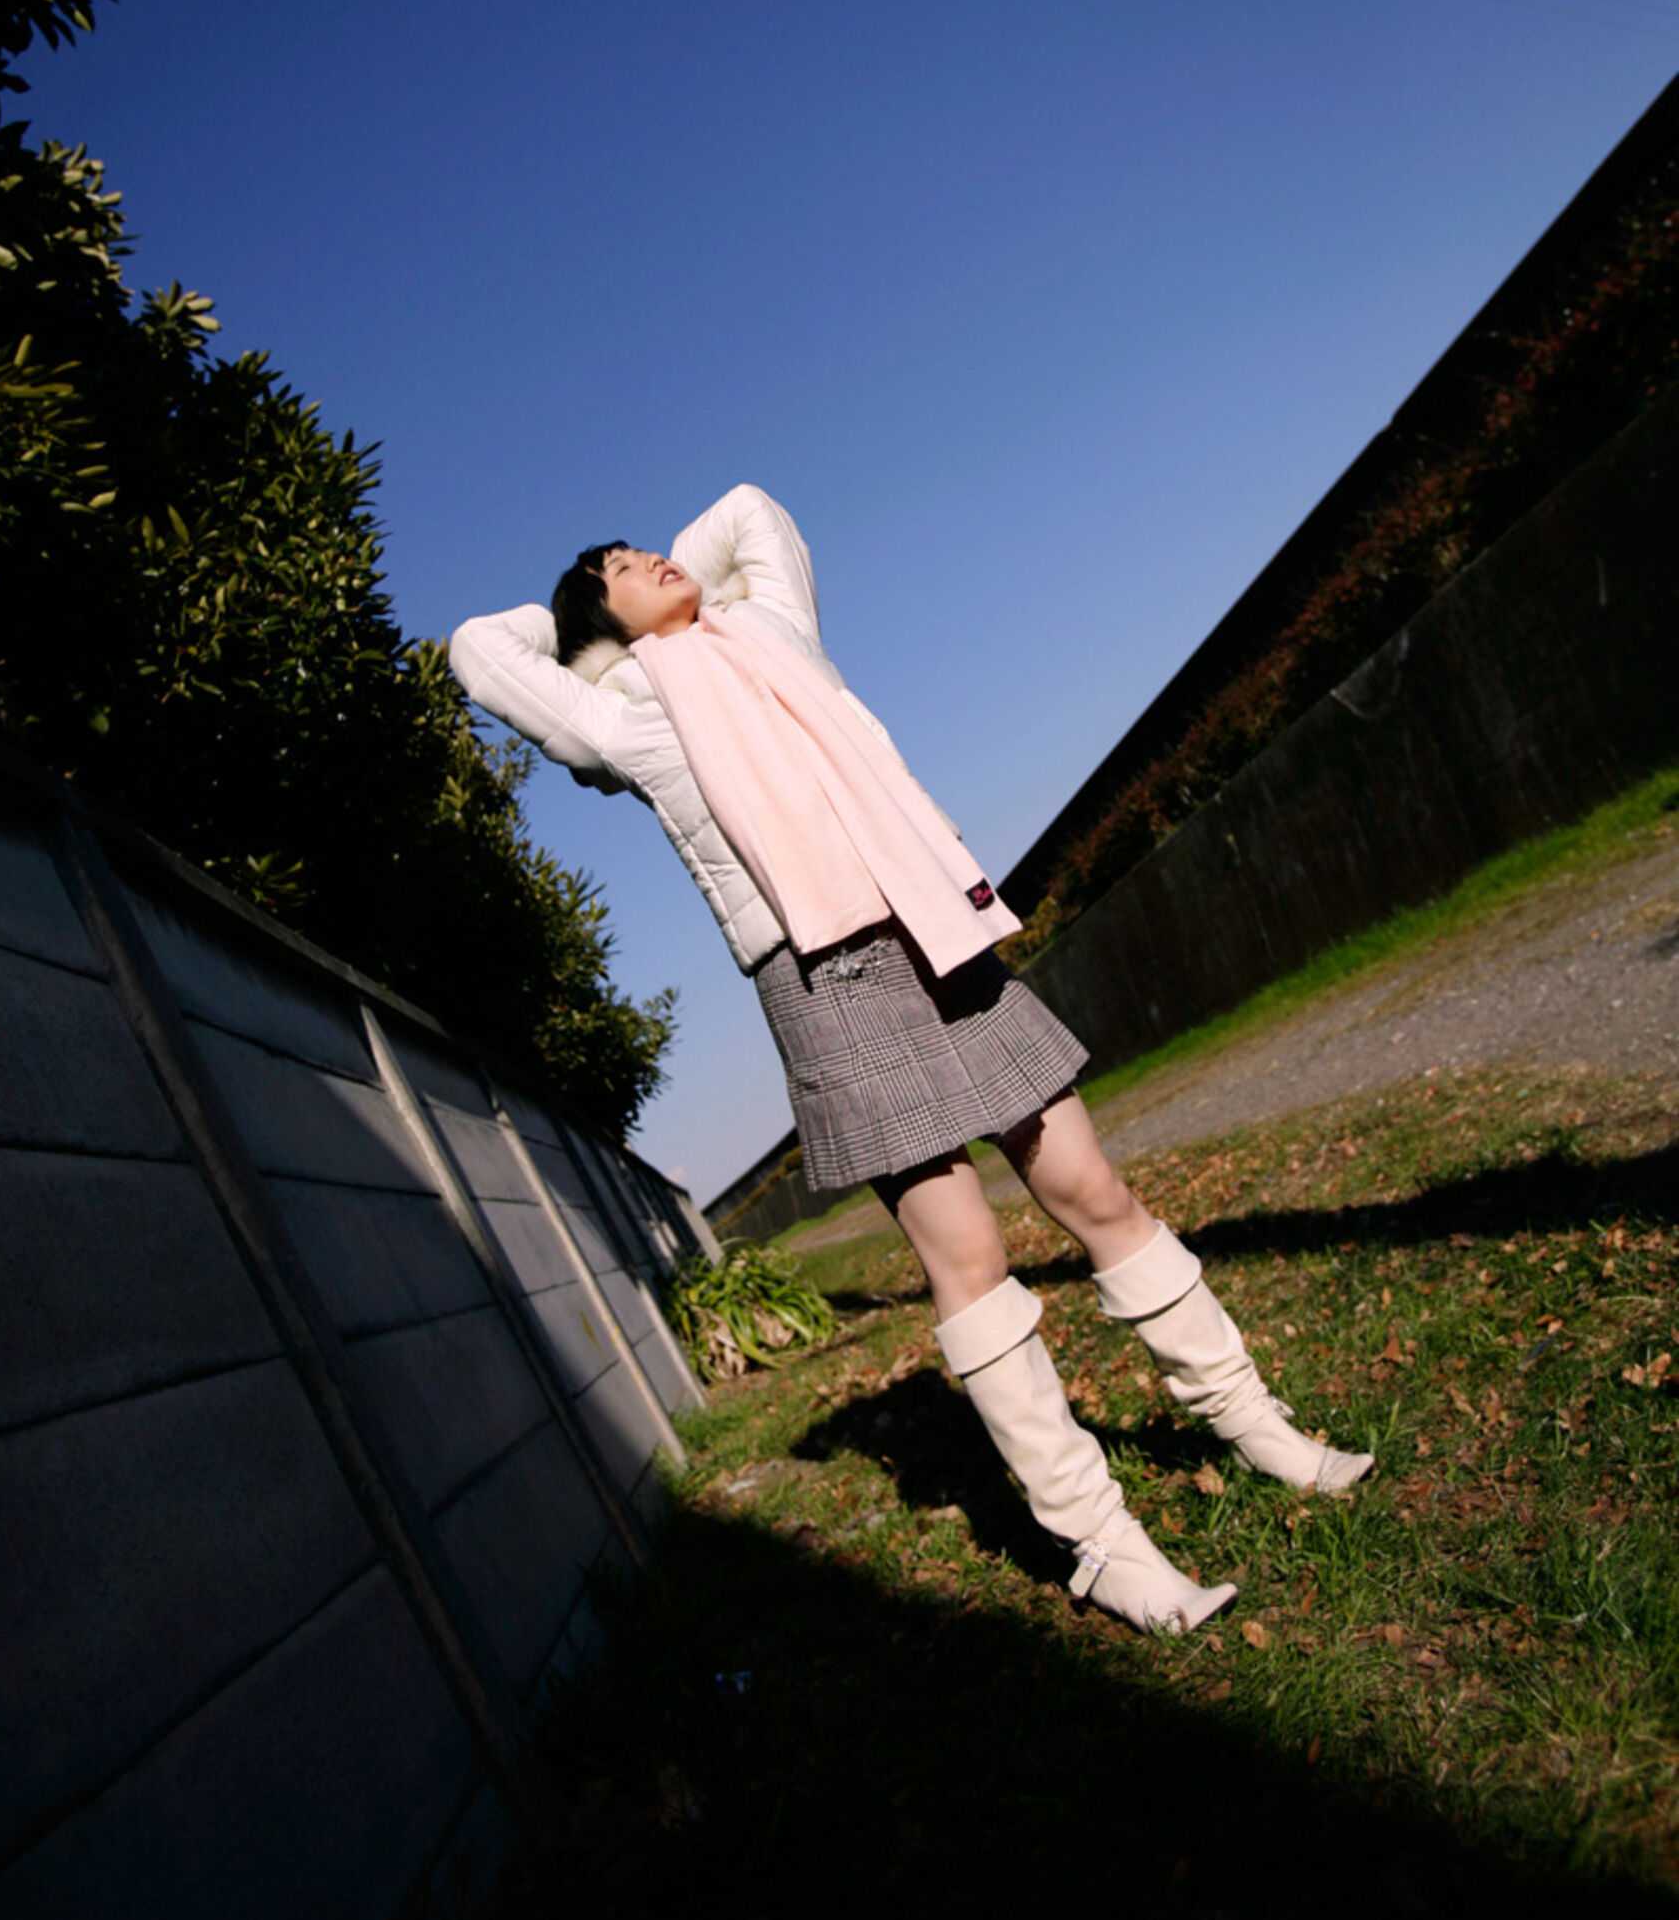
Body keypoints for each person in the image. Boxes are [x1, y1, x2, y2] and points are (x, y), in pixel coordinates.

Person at [449, 483, 1373, 1636]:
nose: (654, 560)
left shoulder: (772, 634)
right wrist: (581, 636)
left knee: (1094, 1187)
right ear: (606, 630)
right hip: (825, 976)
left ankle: (1255, 1424)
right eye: (625, 570)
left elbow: (750, 514)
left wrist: (670, 582)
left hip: (934, 924)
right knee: (969, 1254)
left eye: (645, 548)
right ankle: (1102, 1542)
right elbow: (479, 652)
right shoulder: (626, 720)